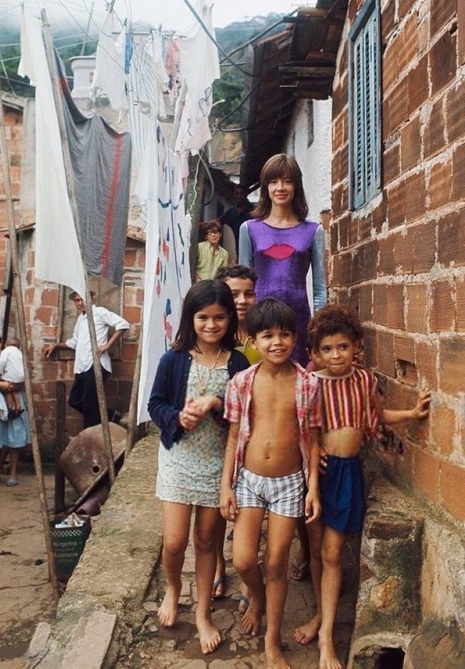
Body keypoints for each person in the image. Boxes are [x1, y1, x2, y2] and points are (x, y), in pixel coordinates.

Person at [293, 304, 431, 669]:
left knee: (334, 553)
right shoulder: (311, 384)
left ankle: (325, 637)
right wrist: (312, 470)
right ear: (314, 353)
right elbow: (305, 432)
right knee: (317, 548)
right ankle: (320, 620)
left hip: (348, 471)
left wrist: (410, 415)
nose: (336, 355)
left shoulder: (363, 380)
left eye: (343, 346)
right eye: (327, 349)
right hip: (317, 474)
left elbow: (374, 417)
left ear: (356, 346)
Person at [147, 280, 249, 655]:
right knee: (174, 541)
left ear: (230, 319)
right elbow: (155, 406)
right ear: (191, 317)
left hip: (217, 465)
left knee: (207, 541)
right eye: (203, 317)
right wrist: (177, 417)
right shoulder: (173, 359)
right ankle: (174, 588)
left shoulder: (238, 363)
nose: (211, 324)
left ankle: (203, 613)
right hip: (178, 460)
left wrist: (216, 405)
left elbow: (245, 413)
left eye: (219, 317)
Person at [220, 298, 322, 669]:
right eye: (267, 336)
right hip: (248, 481)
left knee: (277, 561)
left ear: (295, 338)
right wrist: (225, 487)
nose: (277, 342)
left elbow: (312, 440)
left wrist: (312, 488)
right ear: (253, 339)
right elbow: (232, 438)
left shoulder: (307, 384)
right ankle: (257, 597)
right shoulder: (242, 382)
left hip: (290, 483)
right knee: (244, 559)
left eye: (284, 335)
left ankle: (272, 641)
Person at [239, 153, 327, 367]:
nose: (281, 187)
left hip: (298, 318)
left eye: (288, 181)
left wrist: (319, 330)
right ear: (265, 187)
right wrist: (243, 325)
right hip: (260, 320)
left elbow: (319, 289)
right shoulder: (249, 229)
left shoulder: (313, 231)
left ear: (296, 186)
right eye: (274, 181)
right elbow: (242, 282)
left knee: (298, 381)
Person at [212, 264, 259, 603]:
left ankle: (248, 573)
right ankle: (216, 566)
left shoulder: (263, 337)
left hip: (254, 438)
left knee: (250, 510)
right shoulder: (216, 336)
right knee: (215, 509)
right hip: (218, 437)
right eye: (233, 294)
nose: (241, 301)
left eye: (248, 293)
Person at [43, 290, 129, 428]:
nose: (80, 303)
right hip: (82, 366)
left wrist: (108, 345)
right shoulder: (80, 319)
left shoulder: (99, 312)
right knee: (75, 400)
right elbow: (74, 342)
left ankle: (91, 436)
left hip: (97, 364)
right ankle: (112, 415)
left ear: (90, 299)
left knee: (89, 403)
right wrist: (56, 346)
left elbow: (123, 324)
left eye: (82, 299)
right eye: (77, 300)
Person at [0, 332, 31, 487]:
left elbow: (25, 379)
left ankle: (13, 473)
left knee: (15, 437)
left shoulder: (14, 356)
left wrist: (11, 385)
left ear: (2, 343)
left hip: (16, 397)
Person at [220, 183, 254, 257]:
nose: (239, 196)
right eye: (236, 193)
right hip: (239, 251)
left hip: (254, 250)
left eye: (241, 194)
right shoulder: (231, 212)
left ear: (246, 195)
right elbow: (219, 222)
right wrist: (200, 224)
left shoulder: (254, 211)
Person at [0, 337, 25, 418]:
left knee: (8, 391)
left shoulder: (6, 351)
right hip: (20, 378)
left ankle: (11, 408)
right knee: (15, 391)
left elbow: (1, 362)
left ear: (5, 345)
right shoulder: (20, 353)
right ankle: (18, 407)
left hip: (10, 377)